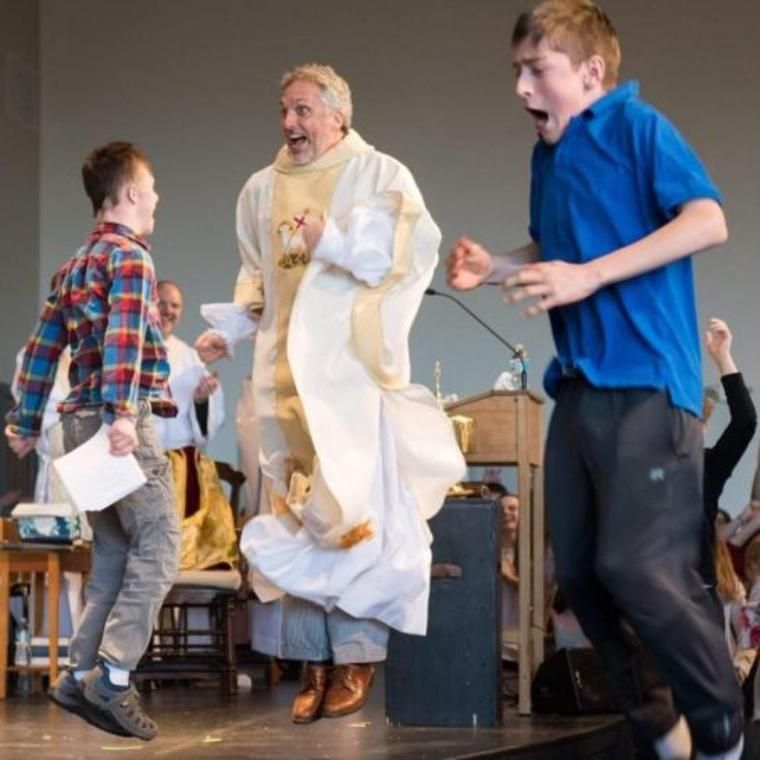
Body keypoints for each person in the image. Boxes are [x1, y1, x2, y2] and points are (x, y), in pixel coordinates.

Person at [447, 2, 743, 758]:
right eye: (515, 70)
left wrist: (590, 276)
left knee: (635, 565)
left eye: (537, 70)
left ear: (591, 73)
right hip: (577, 389)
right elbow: (557, 246)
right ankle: (659, 723)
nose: (520, 87)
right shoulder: (548, 155)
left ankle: (720, 727)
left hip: (648, 381)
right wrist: (498, 270)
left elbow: (708, 220)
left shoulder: (639, 128)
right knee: (577, 573)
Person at [196, 63, 465, 723]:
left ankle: (357, 657)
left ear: (337, 115)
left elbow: (401, 256)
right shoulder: (261, 190)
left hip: (347, 384)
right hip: (283, 381)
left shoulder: (379, 175)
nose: (291, 123)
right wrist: (229, 330)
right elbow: (256, 277)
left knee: (351, 520)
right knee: (297, 520)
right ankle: (311, 663)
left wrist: (332, 240)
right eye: (284, 110)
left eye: (304, 110)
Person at [5, 141, 179, 741]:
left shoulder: (73, 265)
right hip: (111, 422)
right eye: (151, 188)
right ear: (130, 192)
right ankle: (114, 674)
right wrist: (124, 415)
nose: (156, 198)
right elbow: (125, 341)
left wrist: (25, 423)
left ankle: (78, 671)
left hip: (74, 425)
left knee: (111, 553)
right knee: (159, 547)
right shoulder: (131, 259)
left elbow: (39, 350)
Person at [154, 280, 236, 571]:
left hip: (181, 467)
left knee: (187, 553)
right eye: (161, 302)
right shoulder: (129, 352)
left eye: (174, 305)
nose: (167, 311)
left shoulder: (189, 358)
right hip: (141, 462)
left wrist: (201, 400)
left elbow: (205, 432)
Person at [699, 318, 757, 618]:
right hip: (650, 595)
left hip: (698, 592)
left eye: (700, 421)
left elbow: (745, 421)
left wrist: (723, 357)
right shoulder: (645, 463)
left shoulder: (707, 466)